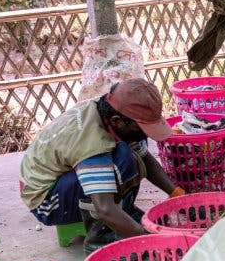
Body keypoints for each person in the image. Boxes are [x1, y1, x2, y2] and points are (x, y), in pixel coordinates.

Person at [19, 78, 183, 252]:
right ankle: (100, 237)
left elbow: (145, 158)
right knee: (123, 158)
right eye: (141, 129)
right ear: (117, 121)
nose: (146, 136)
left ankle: (125, 214)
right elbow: (105, 209)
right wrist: (152, 242)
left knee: (131, 154)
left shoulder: (108, 111)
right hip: (47, 201)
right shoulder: (92, 142)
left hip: (61, 182)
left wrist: (176, 193)